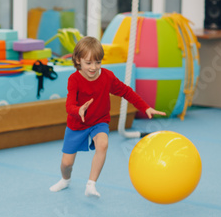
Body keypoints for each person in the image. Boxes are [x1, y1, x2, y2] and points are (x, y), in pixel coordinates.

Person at [49, 36, 166, 197]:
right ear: (78, 60)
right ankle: (65, 179)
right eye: (88, 63)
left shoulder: (107, 77)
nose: (93, 67)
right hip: (77, 124)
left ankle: (91, 184)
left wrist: (145, 107)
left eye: (97, 62)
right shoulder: (74, 79)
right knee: (66, 163)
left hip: (99, 121)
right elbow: (69, 105)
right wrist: (78, 110)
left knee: (102, 145)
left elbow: (126, 91)